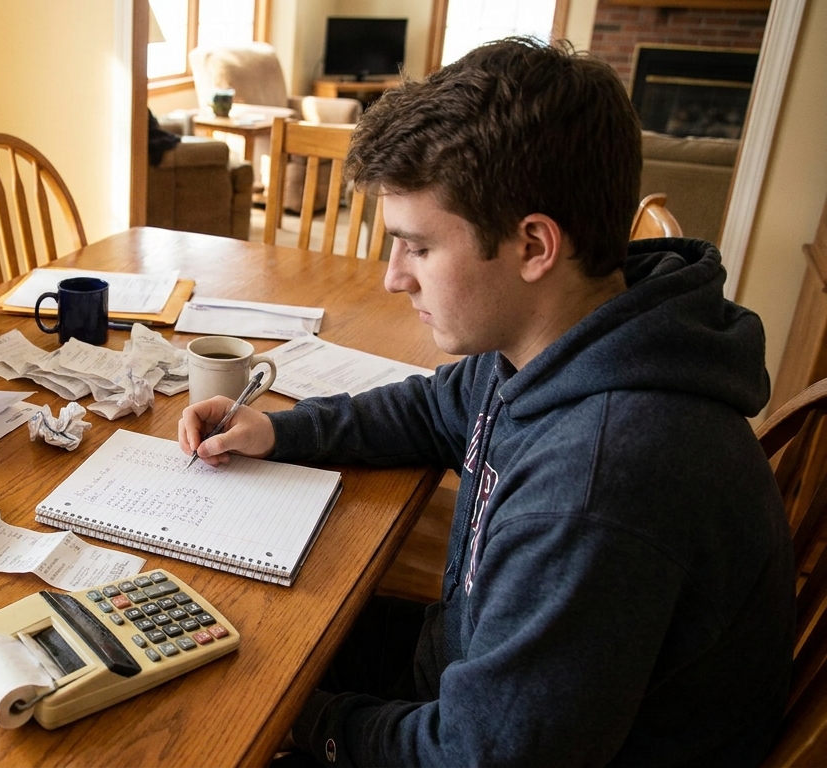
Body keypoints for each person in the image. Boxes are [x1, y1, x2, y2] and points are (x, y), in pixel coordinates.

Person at [178, 38, 793, 766]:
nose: (393, 278)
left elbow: (482, 756)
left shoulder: (598, 485)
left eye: (419, 247)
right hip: (486, 682)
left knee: (209, 723)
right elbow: (433, 409)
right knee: (227, 646)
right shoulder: (567, 336)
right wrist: (278, 431)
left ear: (534, 245)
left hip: (496, 739)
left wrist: (305, 725)